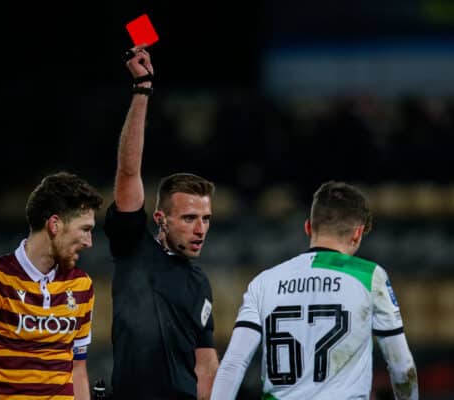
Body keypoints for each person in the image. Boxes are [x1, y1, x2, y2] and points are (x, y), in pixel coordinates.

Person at [211, 181, 419, 399]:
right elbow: (402, 367)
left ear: (308, 227)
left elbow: (233, 364)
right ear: (357, 233)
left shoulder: (264, 282)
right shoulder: (370, 277)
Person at [103, 46, 219, 399]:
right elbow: (128, 172)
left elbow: (206, 365)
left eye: (205, 219)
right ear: (161, 220)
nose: (200, 229)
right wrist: (142, 91)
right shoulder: (133, 248)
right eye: (188, 218)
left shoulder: (199, 282)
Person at [0, 171, 103, 400]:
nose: (89, 242)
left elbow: (77, 370)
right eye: (85, 229)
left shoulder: (81, 285)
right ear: (55, 225)